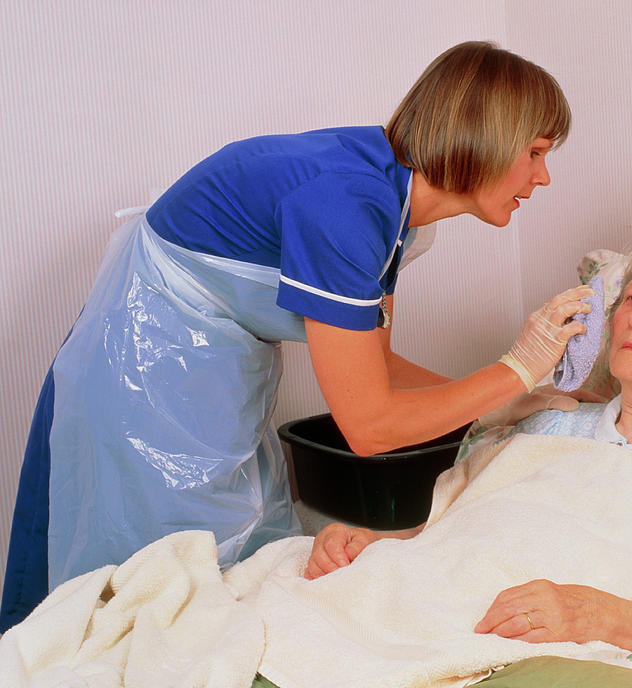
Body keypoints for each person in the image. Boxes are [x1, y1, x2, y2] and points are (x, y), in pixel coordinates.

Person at [0, 41, 592, 631]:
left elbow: (376, 368)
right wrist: (516, 367)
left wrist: (514, 399)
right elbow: (370, 427)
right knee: (147, 591)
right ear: (481, 135)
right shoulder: (346, 208)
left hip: (210, 361)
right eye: (535, 152)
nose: (543, 177)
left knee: (236, 557)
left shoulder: (391, 202)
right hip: (148, 370)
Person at [304, 232, 632, 661]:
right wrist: (369, 541)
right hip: (443, 606)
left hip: (519, 640)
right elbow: (455, 540)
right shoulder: (551, 424)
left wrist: (598, 616)